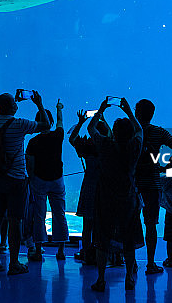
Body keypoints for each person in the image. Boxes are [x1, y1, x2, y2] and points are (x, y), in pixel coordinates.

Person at [0, 90, 49, 276]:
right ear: (12, 107)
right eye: (14, 102)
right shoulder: (19, 123)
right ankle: (13, 263)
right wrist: (39, 104)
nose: (17, 103)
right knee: (15, 221)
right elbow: (45, 125)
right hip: (17, 179)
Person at [82, 97, 144, 292]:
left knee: (102, 239)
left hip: (105, 200)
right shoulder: (134, 147)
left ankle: (101, 279)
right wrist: (129, 111)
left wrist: (101, 110)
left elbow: (91, 129)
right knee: (129, 239)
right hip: (128, 200)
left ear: (114, 133)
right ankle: (129, 278)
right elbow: (140, 131)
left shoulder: (105, 145)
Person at [133, 98, 172, 275]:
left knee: (131, 222)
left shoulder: (131, 130)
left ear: (137, 113)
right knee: (151, 225)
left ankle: (132, 262)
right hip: (152, 184)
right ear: (152, 114)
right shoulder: (158, 132)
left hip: (132, 184)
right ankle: (150, 263)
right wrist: (167, 166)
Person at [25, 100, 69, 262]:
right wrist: (59, 108)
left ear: (37, 123)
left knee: (39, 215)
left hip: (39, 181)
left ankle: (38, 250)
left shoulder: (32, 142)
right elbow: (60, 122)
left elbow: (30, 164)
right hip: (57, 180)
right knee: (60, 214)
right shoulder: (58, 135)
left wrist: (32, 180)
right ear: (49, 122)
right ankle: (61, 250)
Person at [68, 109, 105, 265]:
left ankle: (86, 252)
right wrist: (103, 119)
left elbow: (72, 138)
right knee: (101, 223)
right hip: (104, 188)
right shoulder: (108, 146)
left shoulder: (87, 145)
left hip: (89, 185)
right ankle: (99, 251)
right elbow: (108, 135)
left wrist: (81, 122)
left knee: (87, 224)